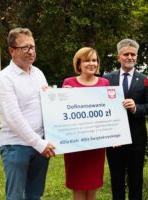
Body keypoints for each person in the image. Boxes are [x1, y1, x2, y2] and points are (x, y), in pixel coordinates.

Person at [0, 27, 56, 199]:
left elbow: (46, 104)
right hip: (16, 146)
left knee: (35, 195)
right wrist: (39, 143)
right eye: (25, 47)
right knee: (15, 196)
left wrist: (62, 96)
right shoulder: (4, 79)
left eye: (33, 47)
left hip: (40, 145)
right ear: (12, 51)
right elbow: (13, 117)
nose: (31, 52)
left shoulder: (38, 73)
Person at [104, 39, 148, 200]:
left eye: (133, 54)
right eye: (126, 54)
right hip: (114, 139)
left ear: (137, 57)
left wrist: (136, 108)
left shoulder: (146, 80)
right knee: (116, 179)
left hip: (137, 137)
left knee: (136, 179)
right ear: (119, 57)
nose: (130, 57)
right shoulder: (107, 78)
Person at [62, 47, 109, 200]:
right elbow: (61, 113)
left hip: (96, 145)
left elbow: (110, 112)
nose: (92, 63)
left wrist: (116, 136)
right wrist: (62, 96)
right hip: (75, 145)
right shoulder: (69, 83)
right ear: (79, 64)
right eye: (87, 60)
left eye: (94, 60)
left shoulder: (104, 83)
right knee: (78, 186)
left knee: (93, 185)